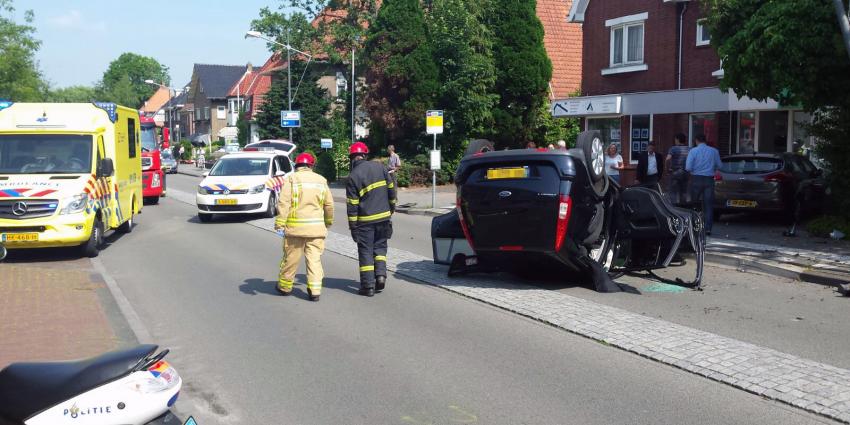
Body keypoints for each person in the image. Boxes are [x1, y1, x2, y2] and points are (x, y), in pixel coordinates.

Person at [274, 153, 334, 301]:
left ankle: (285, 287)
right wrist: (328, 222)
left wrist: (280, 223)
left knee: (291, 259)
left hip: (295, 229)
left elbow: (284, 202)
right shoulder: (321, 180)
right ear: (312, 165)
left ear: (297, 166)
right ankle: (314, 291)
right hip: (316, 229)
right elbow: (329, 204)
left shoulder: (292, 179)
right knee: (314, 260)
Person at [346, 142, 397, 297]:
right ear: (365, 155)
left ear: (352, 158)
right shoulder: (380, 167)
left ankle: (368, 286)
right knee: (380, 248)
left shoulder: (353, 176)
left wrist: (353, 227)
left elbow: (353, 206)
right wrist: (391, 208)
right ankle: (380, 276)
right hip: (383, 217)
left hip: (365, 221)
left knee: (366, 251)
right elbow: (391, 189)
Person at [685, 134, 723, 236]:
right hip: (709, 179)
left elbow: (688, 167)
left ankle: (693, 227)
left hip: (696, 178)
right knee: (708, 205)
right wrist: (712, 168)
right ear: (705, 140)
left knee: (694, 204)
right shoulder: (714, 151)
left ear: (696, 140)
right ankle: (707, 229)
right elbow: (720, 165)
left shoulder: (693, 151)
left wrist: (695, 169)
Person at [666, 133, 690, 205]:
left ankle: (674, 209)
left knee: (672, 192)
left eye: (675, 139)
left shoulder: (673, 148)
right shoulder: (689, 149)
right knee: (684, 192)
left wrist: (668, 169)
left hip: (675, 172)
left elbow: (667, 159)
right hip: (686, 172)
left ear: (677, 140)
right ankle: (683, 208)